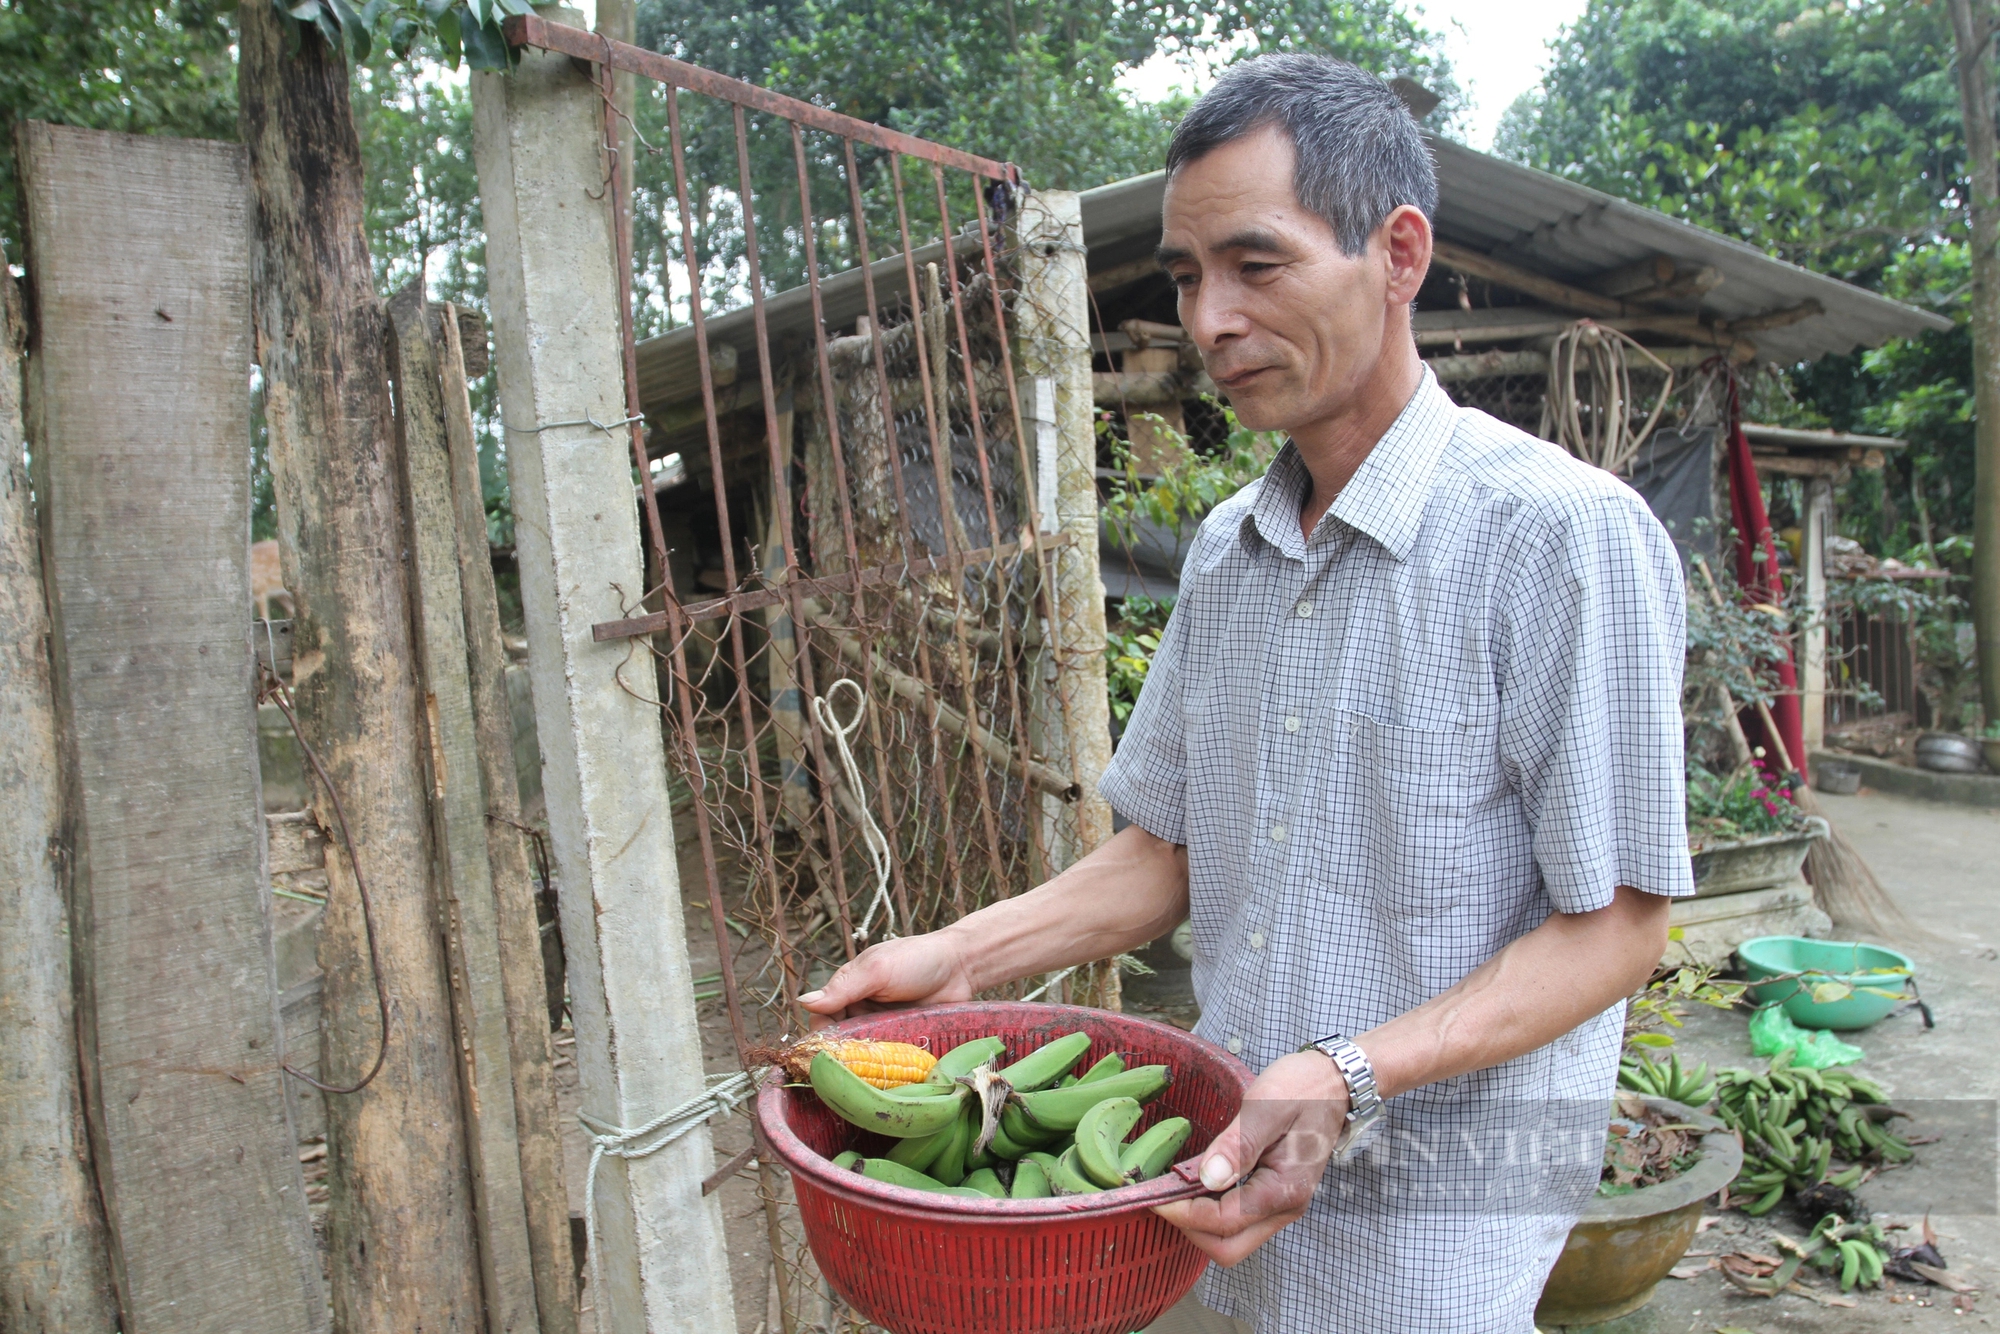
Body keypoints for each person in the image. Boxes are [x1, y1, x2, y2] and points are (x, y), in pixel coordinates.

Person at [800, 53, 1693, 1333]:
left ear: (1396, 254)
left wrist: (1344, 1074)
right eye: (1184, 275)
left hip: (1430, 1217)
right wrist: (958, 955)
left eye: (1254, 264)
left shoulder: (1558, 537)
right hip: (1224, 1162)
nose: (1207, 319)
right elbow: (1168, 850)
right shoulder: (1230, 547)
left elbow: (1613, 927)